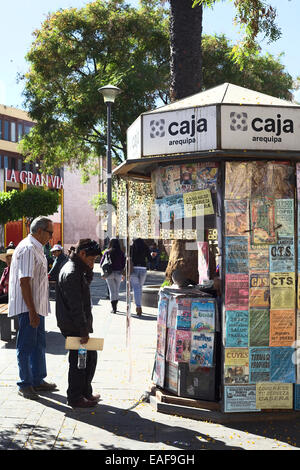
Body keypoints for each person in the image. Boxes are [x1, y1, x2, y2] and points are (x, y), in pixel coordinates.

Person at [8, 216, 57, 401]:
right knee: (27, 344)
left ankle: (37, 379)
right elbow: (24, 281)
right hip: (29, 307)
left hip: (37, 306)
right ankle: (25, 383)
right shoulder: (28, 248)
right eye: (49, 232)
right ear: (39, 231)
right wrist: (31, 310)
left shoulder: (37, 248)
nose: (51, 237)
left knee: (38, 344)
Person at [56, 238, 102, 408]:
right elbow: (75, 305)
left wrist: (89, 270)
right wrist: (83, 330)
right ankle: (75, 396)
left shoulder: (77, 269)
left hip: (76, 324)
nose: (92, 263)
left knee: (90, 357)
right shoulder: (72, 272)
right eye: (91, 259)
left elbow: (84, 288)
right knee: (79, 361)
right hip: (73, 325)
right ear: (82, 254)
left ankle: (85, 392)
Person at [100, 238, 125, 314]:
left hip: (109, 273)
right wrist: (123, 274)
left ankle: (113, 308)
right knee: (116, 290)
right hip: (118, 273)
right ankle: (115, 306)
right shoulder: (121, 252)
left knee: (112, 291)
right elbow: (124, 264)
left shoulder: (107, 252)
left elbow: (101, 263)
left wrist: (103, 272)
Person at [130, 238, 152, 317]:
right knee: (139, 287)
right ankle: (138, 305)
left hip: (133, 269)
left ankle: (138, 307)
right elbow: (150, 259)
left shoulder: (131, 247)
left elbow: (128, 257)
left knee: (136, 288)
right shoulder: (145, 247)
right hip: (143, 269)